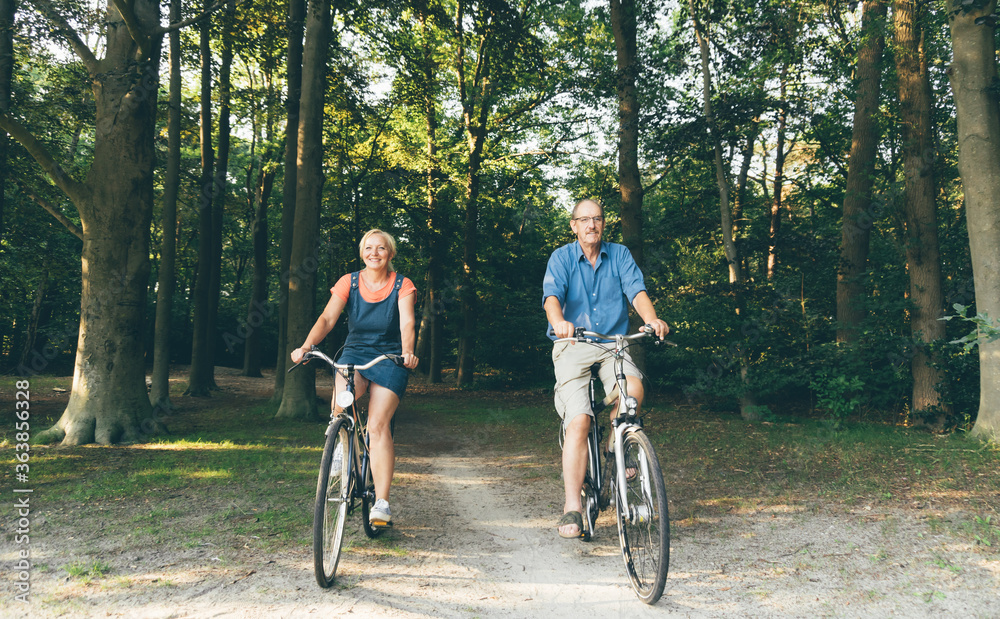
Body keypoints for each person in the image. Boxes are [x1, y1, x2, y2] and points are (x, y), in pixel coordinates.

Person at [543, 199, 669, 539]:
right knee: (580, 420)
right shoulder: (562, 258)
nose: (591, 225)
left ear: (603, 223)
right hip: (572, 343)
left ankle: (616, 444)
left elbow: (636, 290)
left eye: (596, 219)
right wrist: (559, 322)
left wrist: (651, 319)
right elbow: (552, 297)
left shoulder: (620, 255)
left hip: (613, 342)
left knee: (633, 392)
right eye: (584, 220)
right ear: (574, 226)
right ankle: (572, 505)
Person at [291, 229, 419, 526]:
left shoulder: (403, 285)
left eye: (381, 248)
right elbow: (327, 318)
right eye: (368, 248)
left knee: (377, 424)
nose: (374, 253)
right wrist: (306, 346)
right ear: (362, 252)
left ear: (391, 253)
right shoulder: (348, 281)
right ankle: (341, 444)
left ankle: (382, 503)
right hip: (355, 353)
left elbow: (407, 322)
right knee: (340, 404)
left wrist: (408, 351)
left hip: (389, 357)